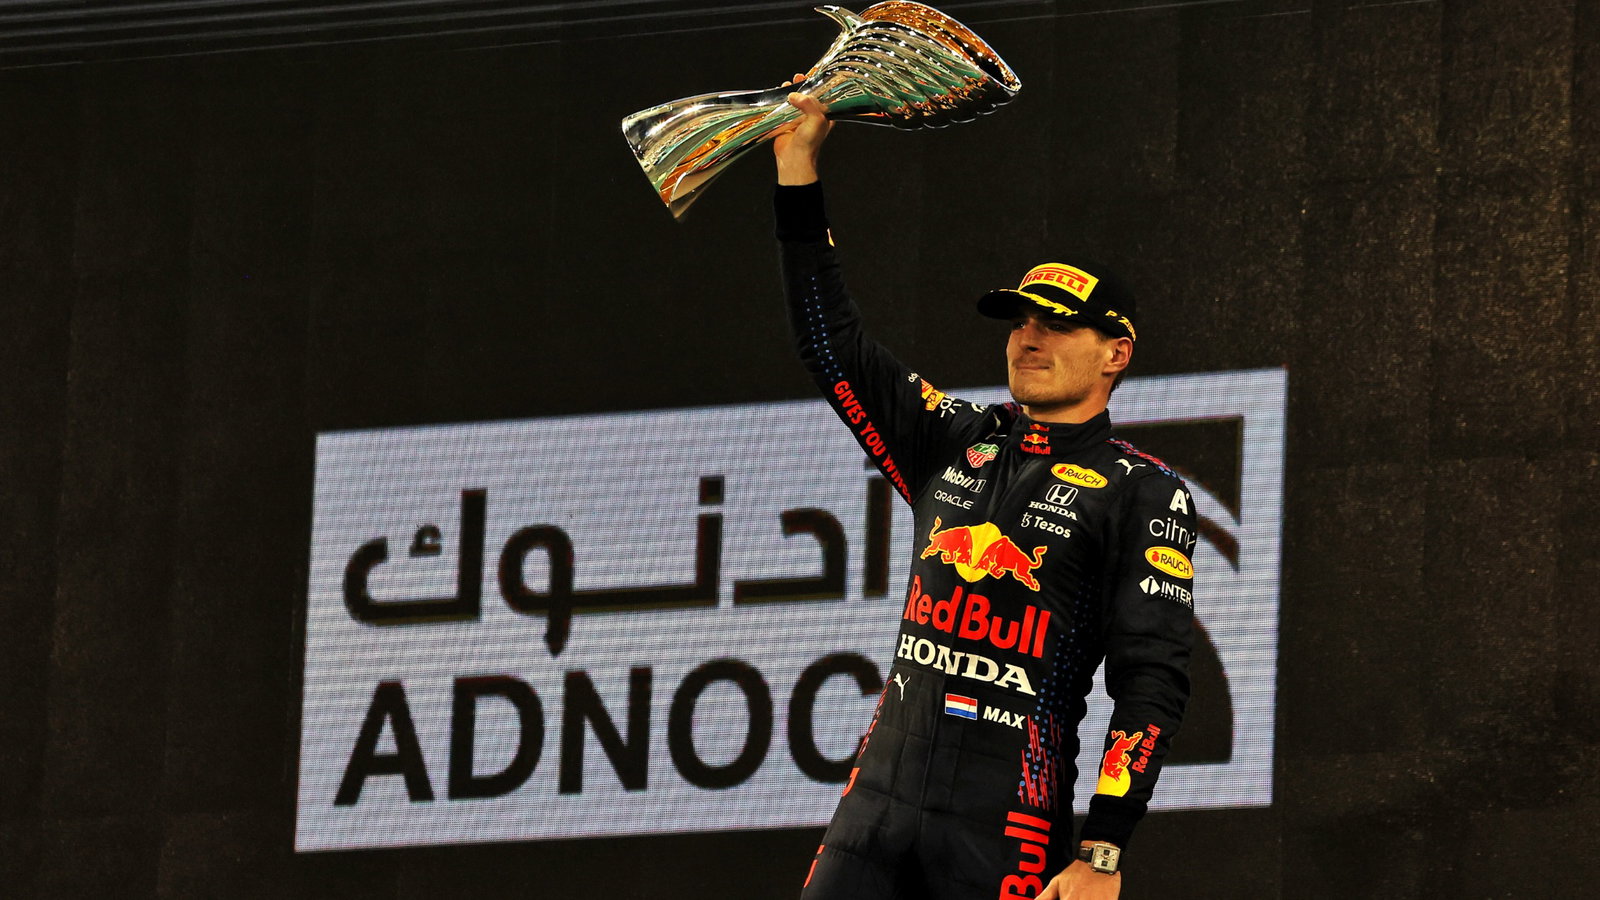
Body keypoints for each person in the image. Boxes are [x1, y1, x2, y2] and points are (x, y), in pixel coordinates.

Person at [772, 89, 1197, 900]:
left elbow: (1152, 682)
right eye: (1018, 321)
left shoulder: (1142, 492)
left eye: (1057, 324)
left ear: (1117, 353)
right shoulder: (956, 439)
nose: (1028, 338)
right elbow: (828, 343)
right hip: (876, 808)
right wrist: (798, 170)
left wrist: (1102, 850)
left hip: (1007, 822)